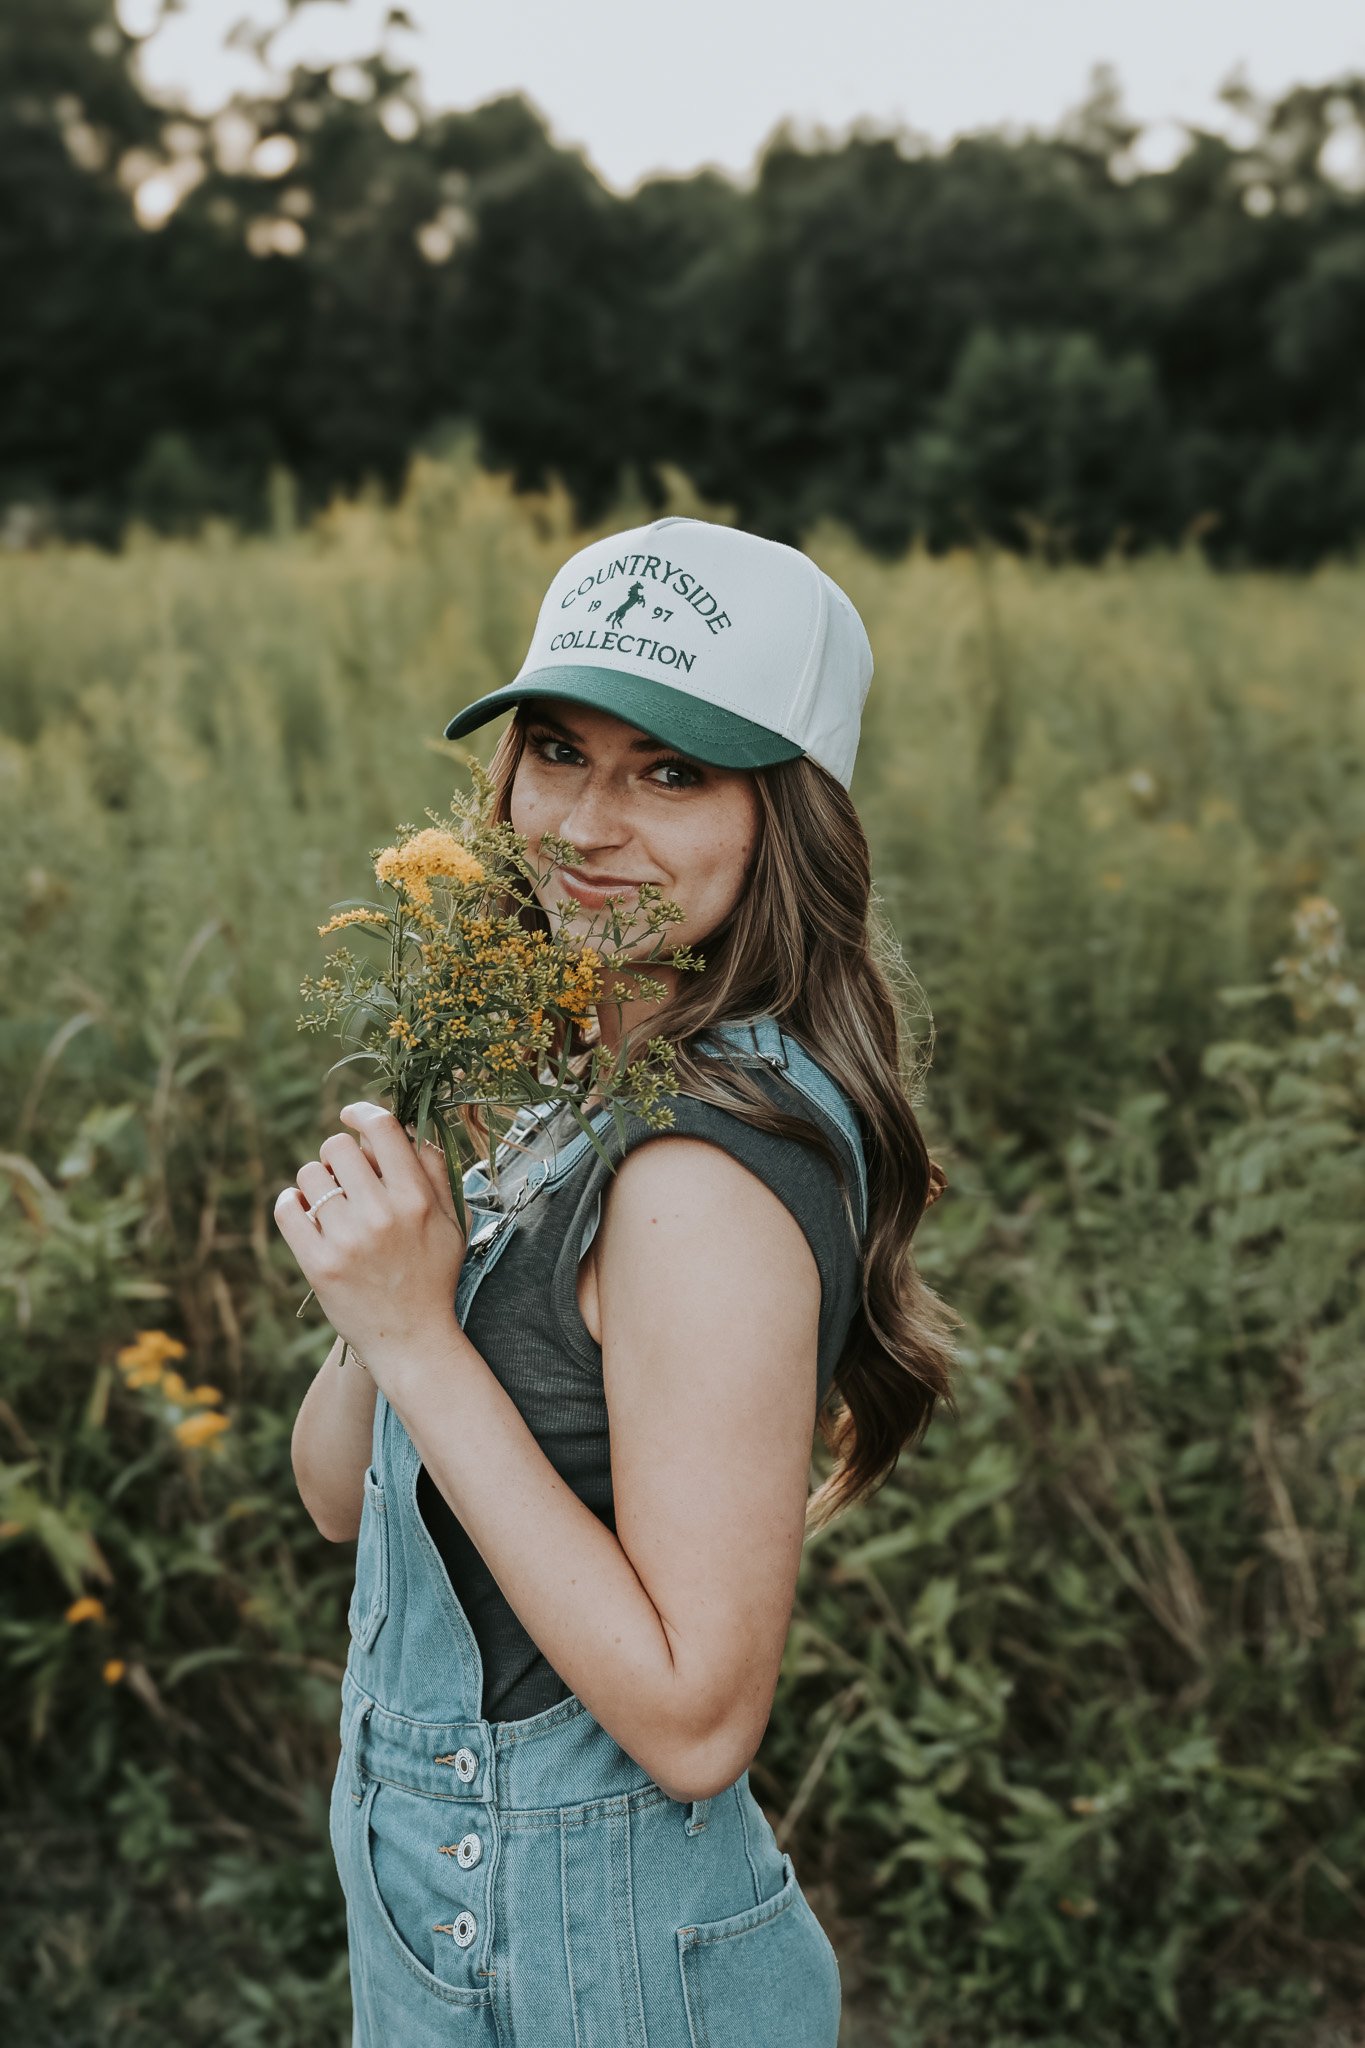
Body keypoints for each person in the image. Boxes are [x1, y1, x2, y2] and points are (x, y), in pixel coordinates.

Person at [279, 515, 959, 2048]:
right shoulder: (580, 1083)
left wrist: (416, 1336)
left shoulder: (693, 1180)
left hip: (597, 1963)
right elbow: (336, 1495)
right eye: (558, 751)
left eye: (671, 772)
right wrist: (387, 1293)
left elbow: (698, 1719)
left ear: (788, 815)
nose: (584, 824)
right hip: (461, 1916)